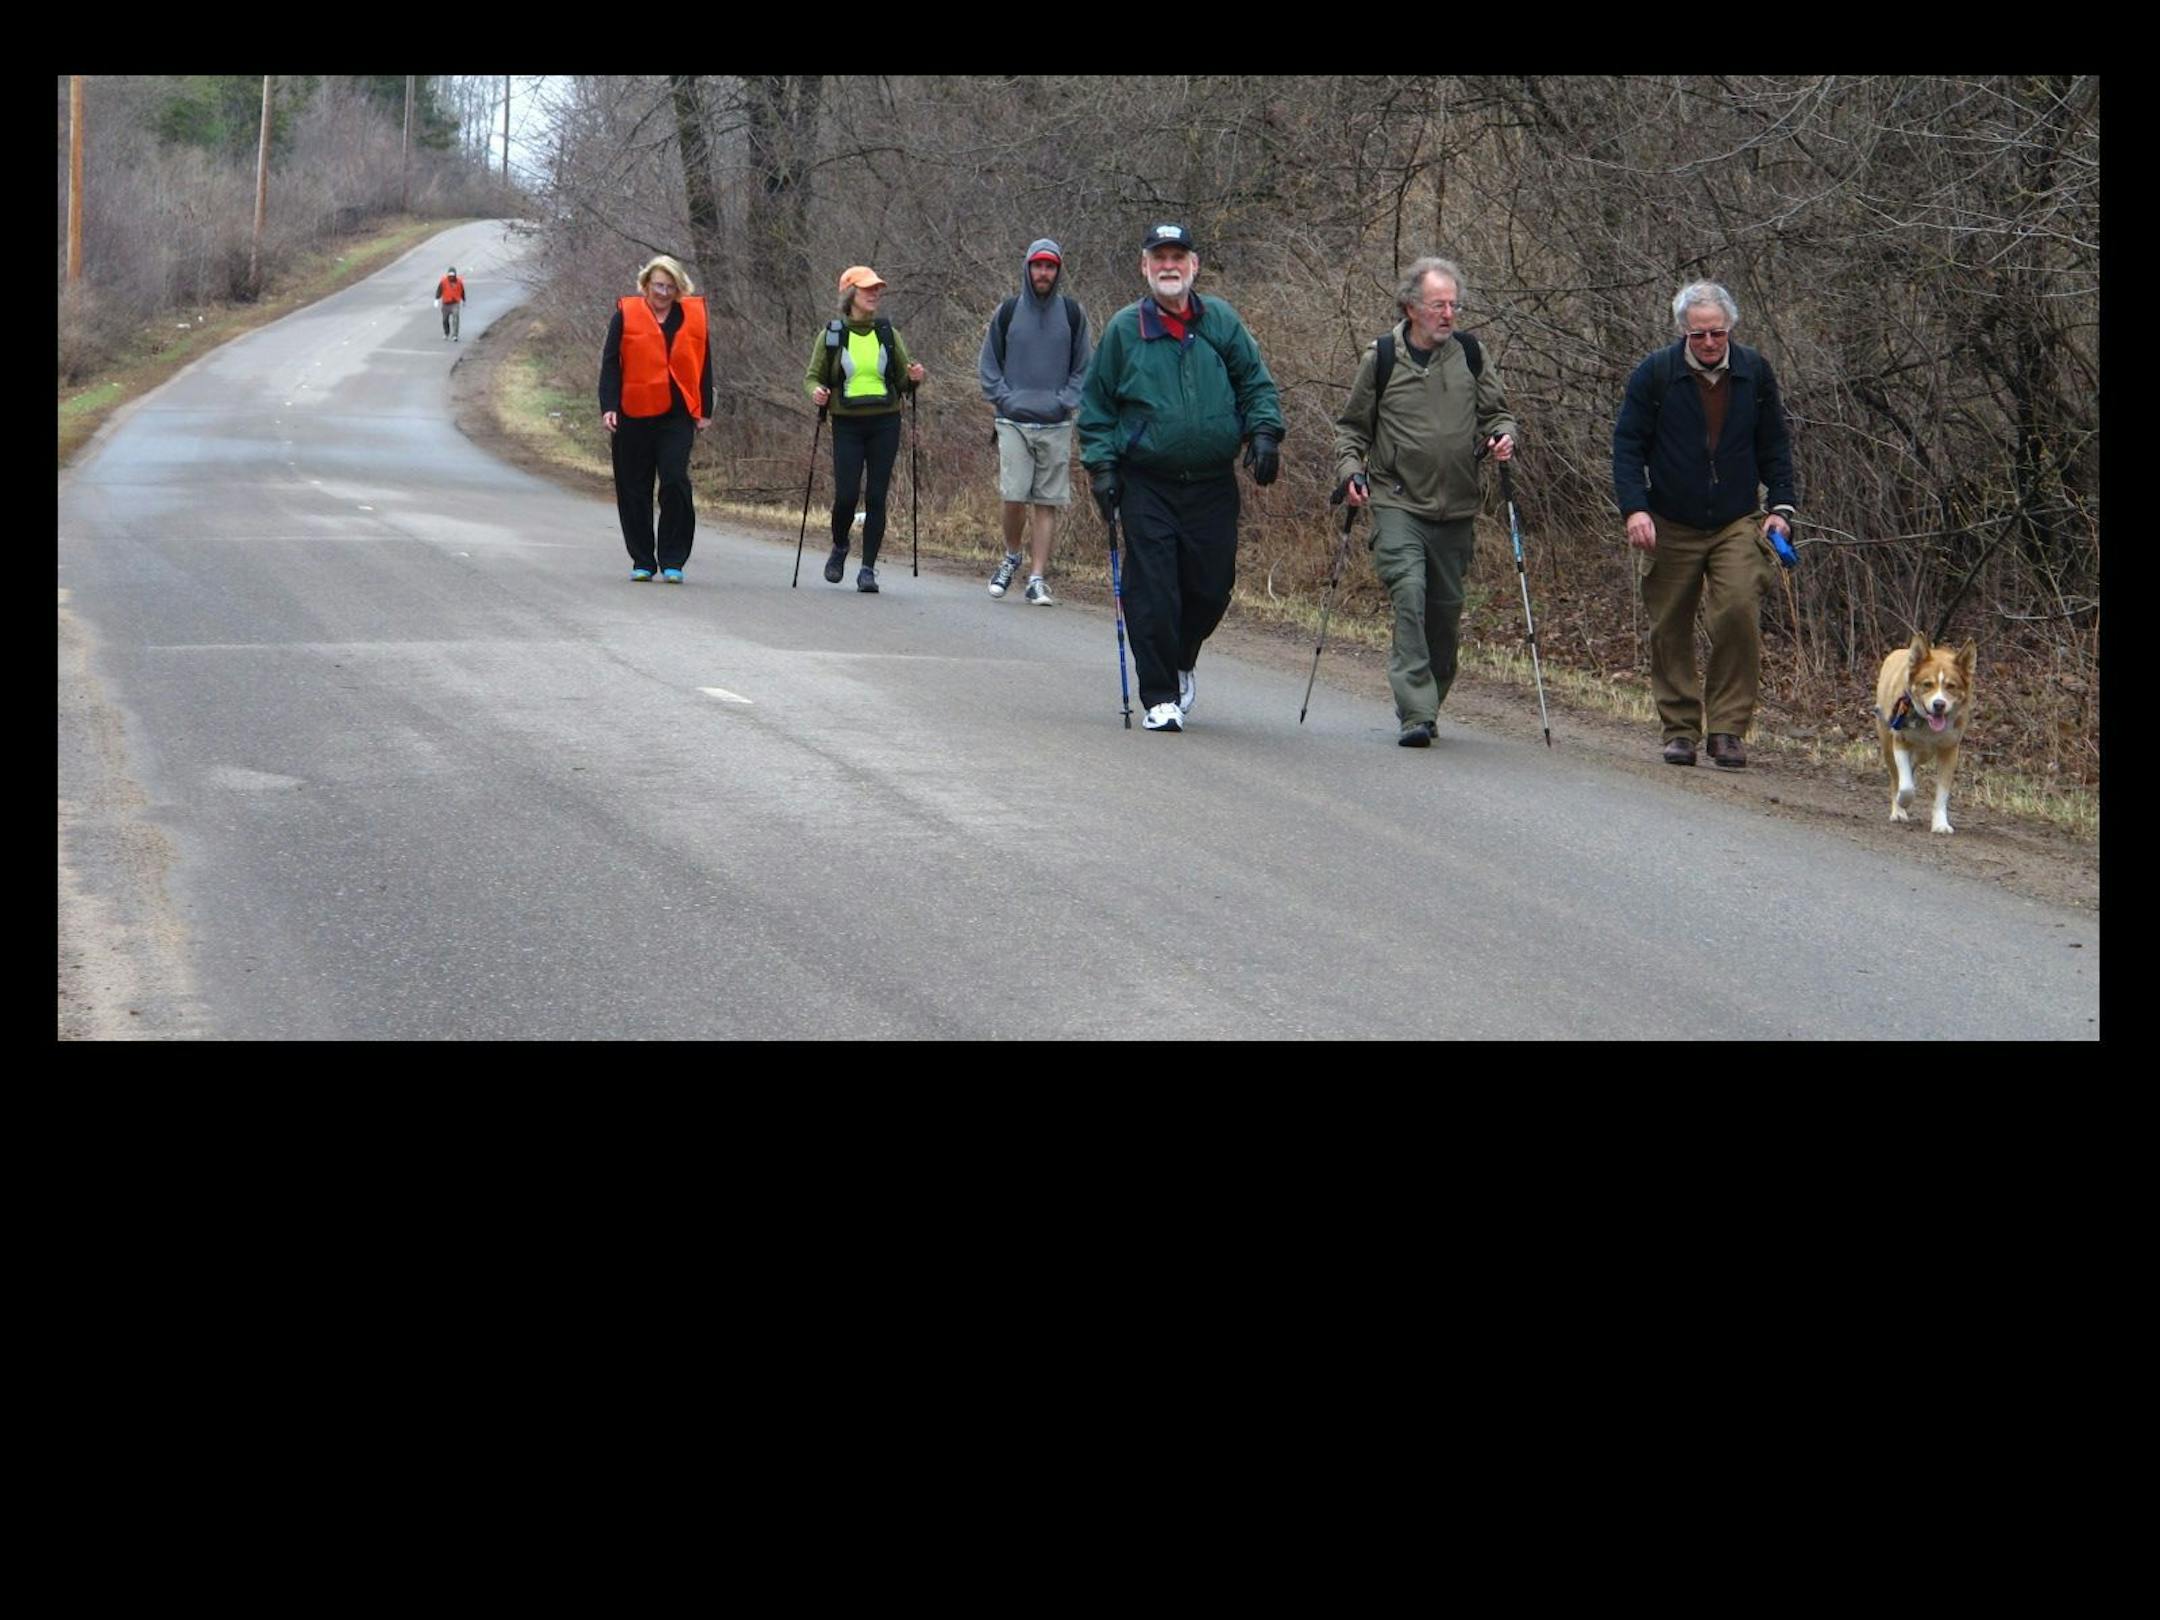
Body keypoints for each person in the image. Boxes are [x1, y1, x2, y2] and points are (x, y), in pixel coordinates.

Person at [1077, 224, 1284, 732]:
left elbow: (1255, 382)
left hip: (1212, 481)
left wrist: (1265, 434)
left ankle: (1183, 655)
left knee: (1211, 587)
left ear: (1194, 267)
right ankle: (1160, 695)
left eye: (1178, 257)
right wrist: (1102, 467)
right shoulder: (1126, 330)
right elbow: (1097, 406)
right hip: (1147, 479)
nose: (1169, 266)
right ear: (1144, 267)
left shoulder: (1221, 321)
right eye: (1159, 258)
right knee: (1154, 589)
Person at [1333, 256, 1519, 747]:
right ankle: (1415, 711)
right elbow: (1352, 429)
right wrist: (1351, 471)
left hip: (1457, 507)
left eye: (1453, 305)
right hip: (1397, 501)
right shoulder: (1382, 359)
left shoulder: (1471, 355)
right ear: (1410, 307)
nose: (1448, 314)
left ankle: (1429, 699)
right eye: (1438, 305)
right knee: (1409, 594)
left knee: (1444, 612)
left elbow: (1498, 413)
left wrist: (1502, 436)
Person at [1612, 280, 1798, 767]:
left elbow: (1775, 445)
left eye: (1717, 333)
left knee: (1737, 610)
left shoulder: (1754, 372)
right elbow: (1627, 446)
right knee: (1669, 624)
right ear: (1682, 332)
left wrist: (1781, 507)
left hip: (1737, 518)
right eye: (1698, 335)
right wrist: (1635, 508)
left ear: (1731, 328)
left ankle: (1727, 730)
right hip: (1669, 519)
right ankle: (1679, 728)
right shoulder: (1655, 374)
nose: (1710, 343)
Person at [978, 238, 1092, 605]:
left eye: (1050, 267)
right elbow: (989, 364)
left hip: (1056, 423)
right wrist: (1005, 398)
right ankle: (1012, 556)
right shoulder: (1008, 312)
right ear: (1027, 268)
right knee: (1014, 495)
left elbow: (1083, 368)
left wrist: (1065, 402)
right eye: (1038, 266)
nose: (1043, 273)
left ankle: (1037, 577)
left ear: (1058, 271)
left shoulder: (1073, 314)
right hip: (1012, 420)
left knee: (1047, 502)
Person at [805, 266, 927, 594]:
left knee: (876, 496)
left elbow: (902, 381)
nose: (874, 294)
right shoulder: (831, 334)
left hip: (886, 421)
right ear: (850, 295)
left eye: (876, 289)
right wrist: (816, 392)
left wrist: (915, 377)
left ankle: (868, 569)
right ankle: (840, 545)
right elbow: (812, 376)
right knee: (846, 496)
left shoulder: (888, 334)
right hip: (846, 423)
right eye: (866, 289)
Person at [598, 255, 713, 583]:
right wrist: (608, 405)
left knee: (675, 480)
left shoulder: (692, 316)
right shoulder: (625, 314)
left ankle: (673, 558)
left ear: (679, 288)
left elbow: (704, 362)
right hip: (632, 412)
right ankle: (643, 559)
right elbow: (610, 363)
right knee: (634, 487)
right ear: (646, 284)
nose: (663, 292)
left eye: (670, 286)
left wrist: (704, 410)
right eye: (658, 285)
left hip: (677, 413)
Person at [434, 266, 466, 341]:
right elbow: (439, 290)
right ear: (448, 275)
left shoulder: (459, 282)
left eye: (453, 275)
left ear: (455, 275)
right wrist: (436, 299)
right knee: (445, 320)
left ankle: (455, 335)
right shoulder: (443, 282)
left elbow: (462, 292)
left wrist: (464, 300)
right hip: (446, 304)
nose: (451, 277)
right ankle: (446, 333)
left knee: (456, 317)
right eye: (450, 275)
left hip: (455, 303)